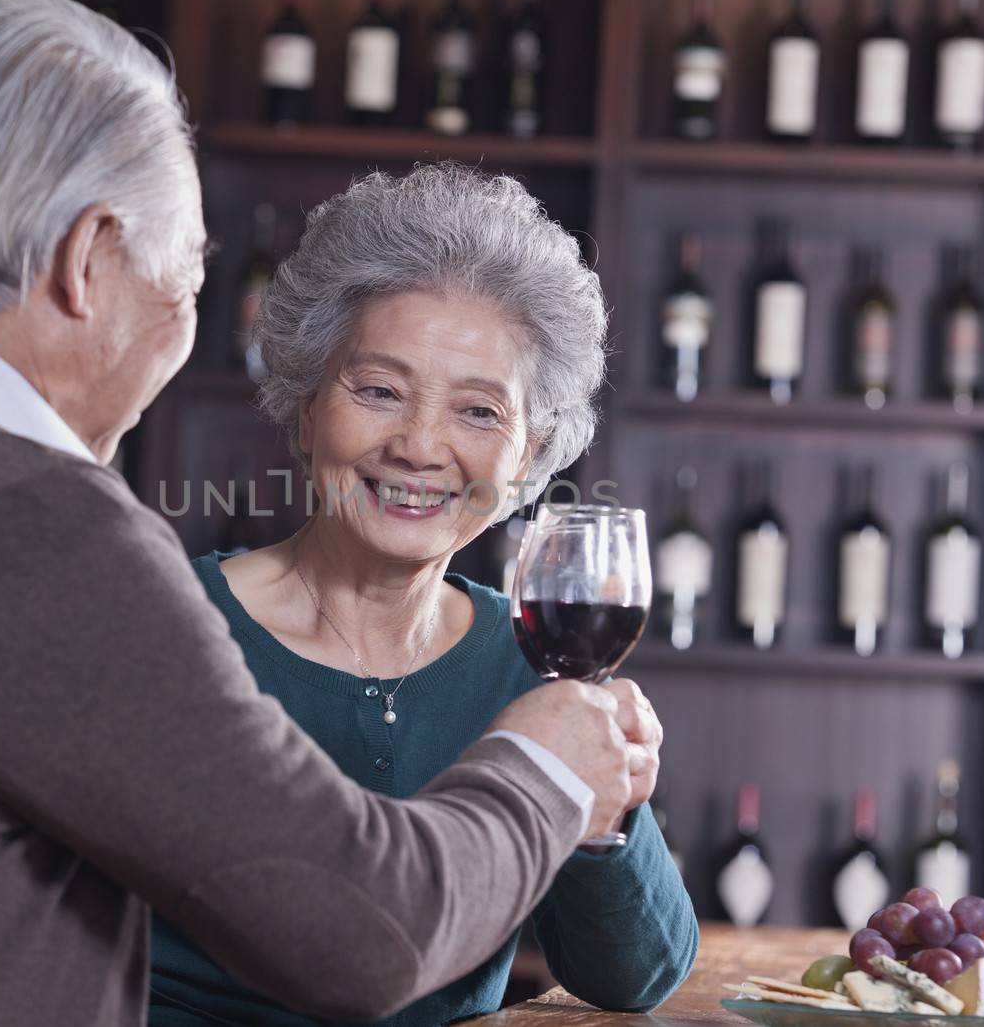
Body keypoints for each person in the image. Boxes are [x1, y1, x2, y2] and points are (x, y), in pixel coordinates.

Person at [0, 0, 658, 1027]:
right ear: (86, 260)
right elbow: (360, 933)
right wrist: (548, 760)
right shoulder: (32, 523)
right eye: (187, 277)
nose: (184, 323)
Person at [147, 165, 698, 1025]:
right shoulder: (171, 626)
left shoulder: (532, 668)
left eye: (479, 412)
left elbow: (634, 977)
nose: (420, 445)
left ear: (529, 457)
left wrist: (602, 806)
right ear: (304, 409)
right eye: (378, 390)